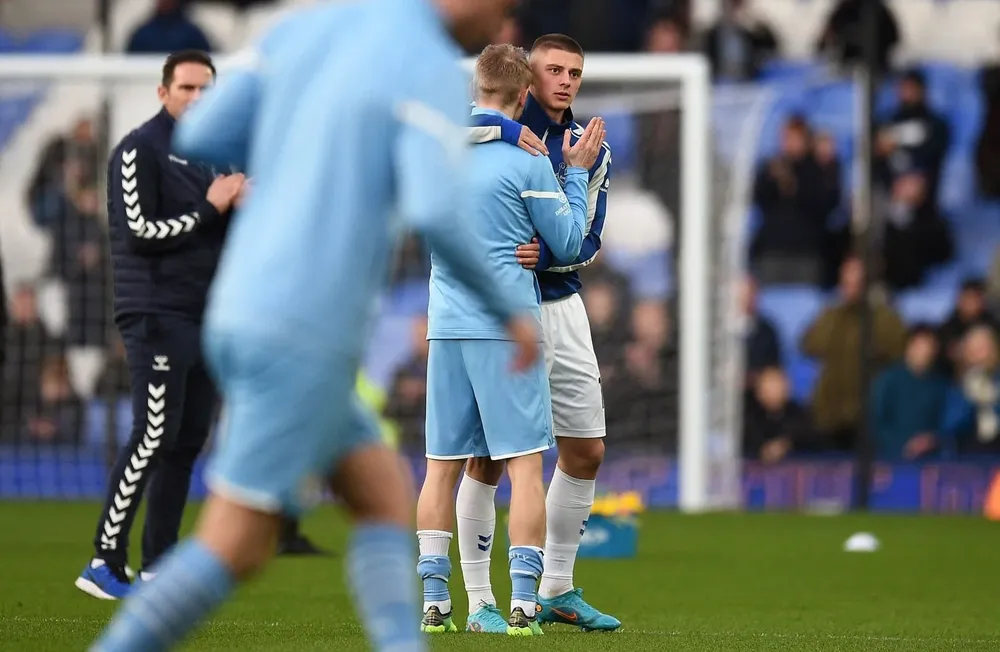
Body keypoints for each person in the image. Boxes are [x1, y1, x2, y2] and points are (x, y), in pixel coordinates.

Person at [89, 1, 529, 651]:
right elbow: (435, 209)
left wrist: (300, 156)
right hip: (304, 327)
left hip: (238, 303)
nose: (505, 21)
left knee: (381, 492)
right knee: (235, 543)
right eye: (504, 4)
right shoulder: (429, 64)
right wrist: (510, 309)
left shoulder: (308, 26)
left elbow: (201, 132)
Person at [416, 43, 600, 636]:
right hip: (506, 327)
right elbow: (568, 243)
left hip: (447, 324)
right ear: (524, 93)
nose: (565, 81)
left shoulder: (440, 151)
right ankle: (522, 604)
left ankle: (437, 605)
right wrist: (573, 174)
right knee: (522, 466)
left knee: (439, 468)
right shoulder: (527, 159)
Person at [74, 50, 244, 601]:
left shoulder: (213, 157)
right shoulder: (138, 149)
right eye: (186, 88)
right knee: (153, 434)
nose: (196, 98)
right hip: (155, 311)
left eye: (205, 89)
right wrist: (212, 209)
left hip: (205, 314)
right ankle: (104, 559)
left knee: (187, 441)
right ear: (163, 92)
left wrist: (243, 206)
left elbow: (220, 234)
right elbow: (139, 231)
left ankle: (158, 565)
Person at [465, 33, 620, 631]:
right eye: (553, 70)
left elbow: (590, 239)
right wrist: (504, 132)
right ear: (528, 76)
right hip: (502, 311)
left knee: (586, 448)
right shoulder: (495, 130)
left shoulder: (591, 149)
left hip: (562, 305)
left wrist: (549, 255)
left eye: (574, 73)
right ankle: (480, 599)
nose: (565, 81)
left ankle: (556, 587)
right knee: (488, 457)